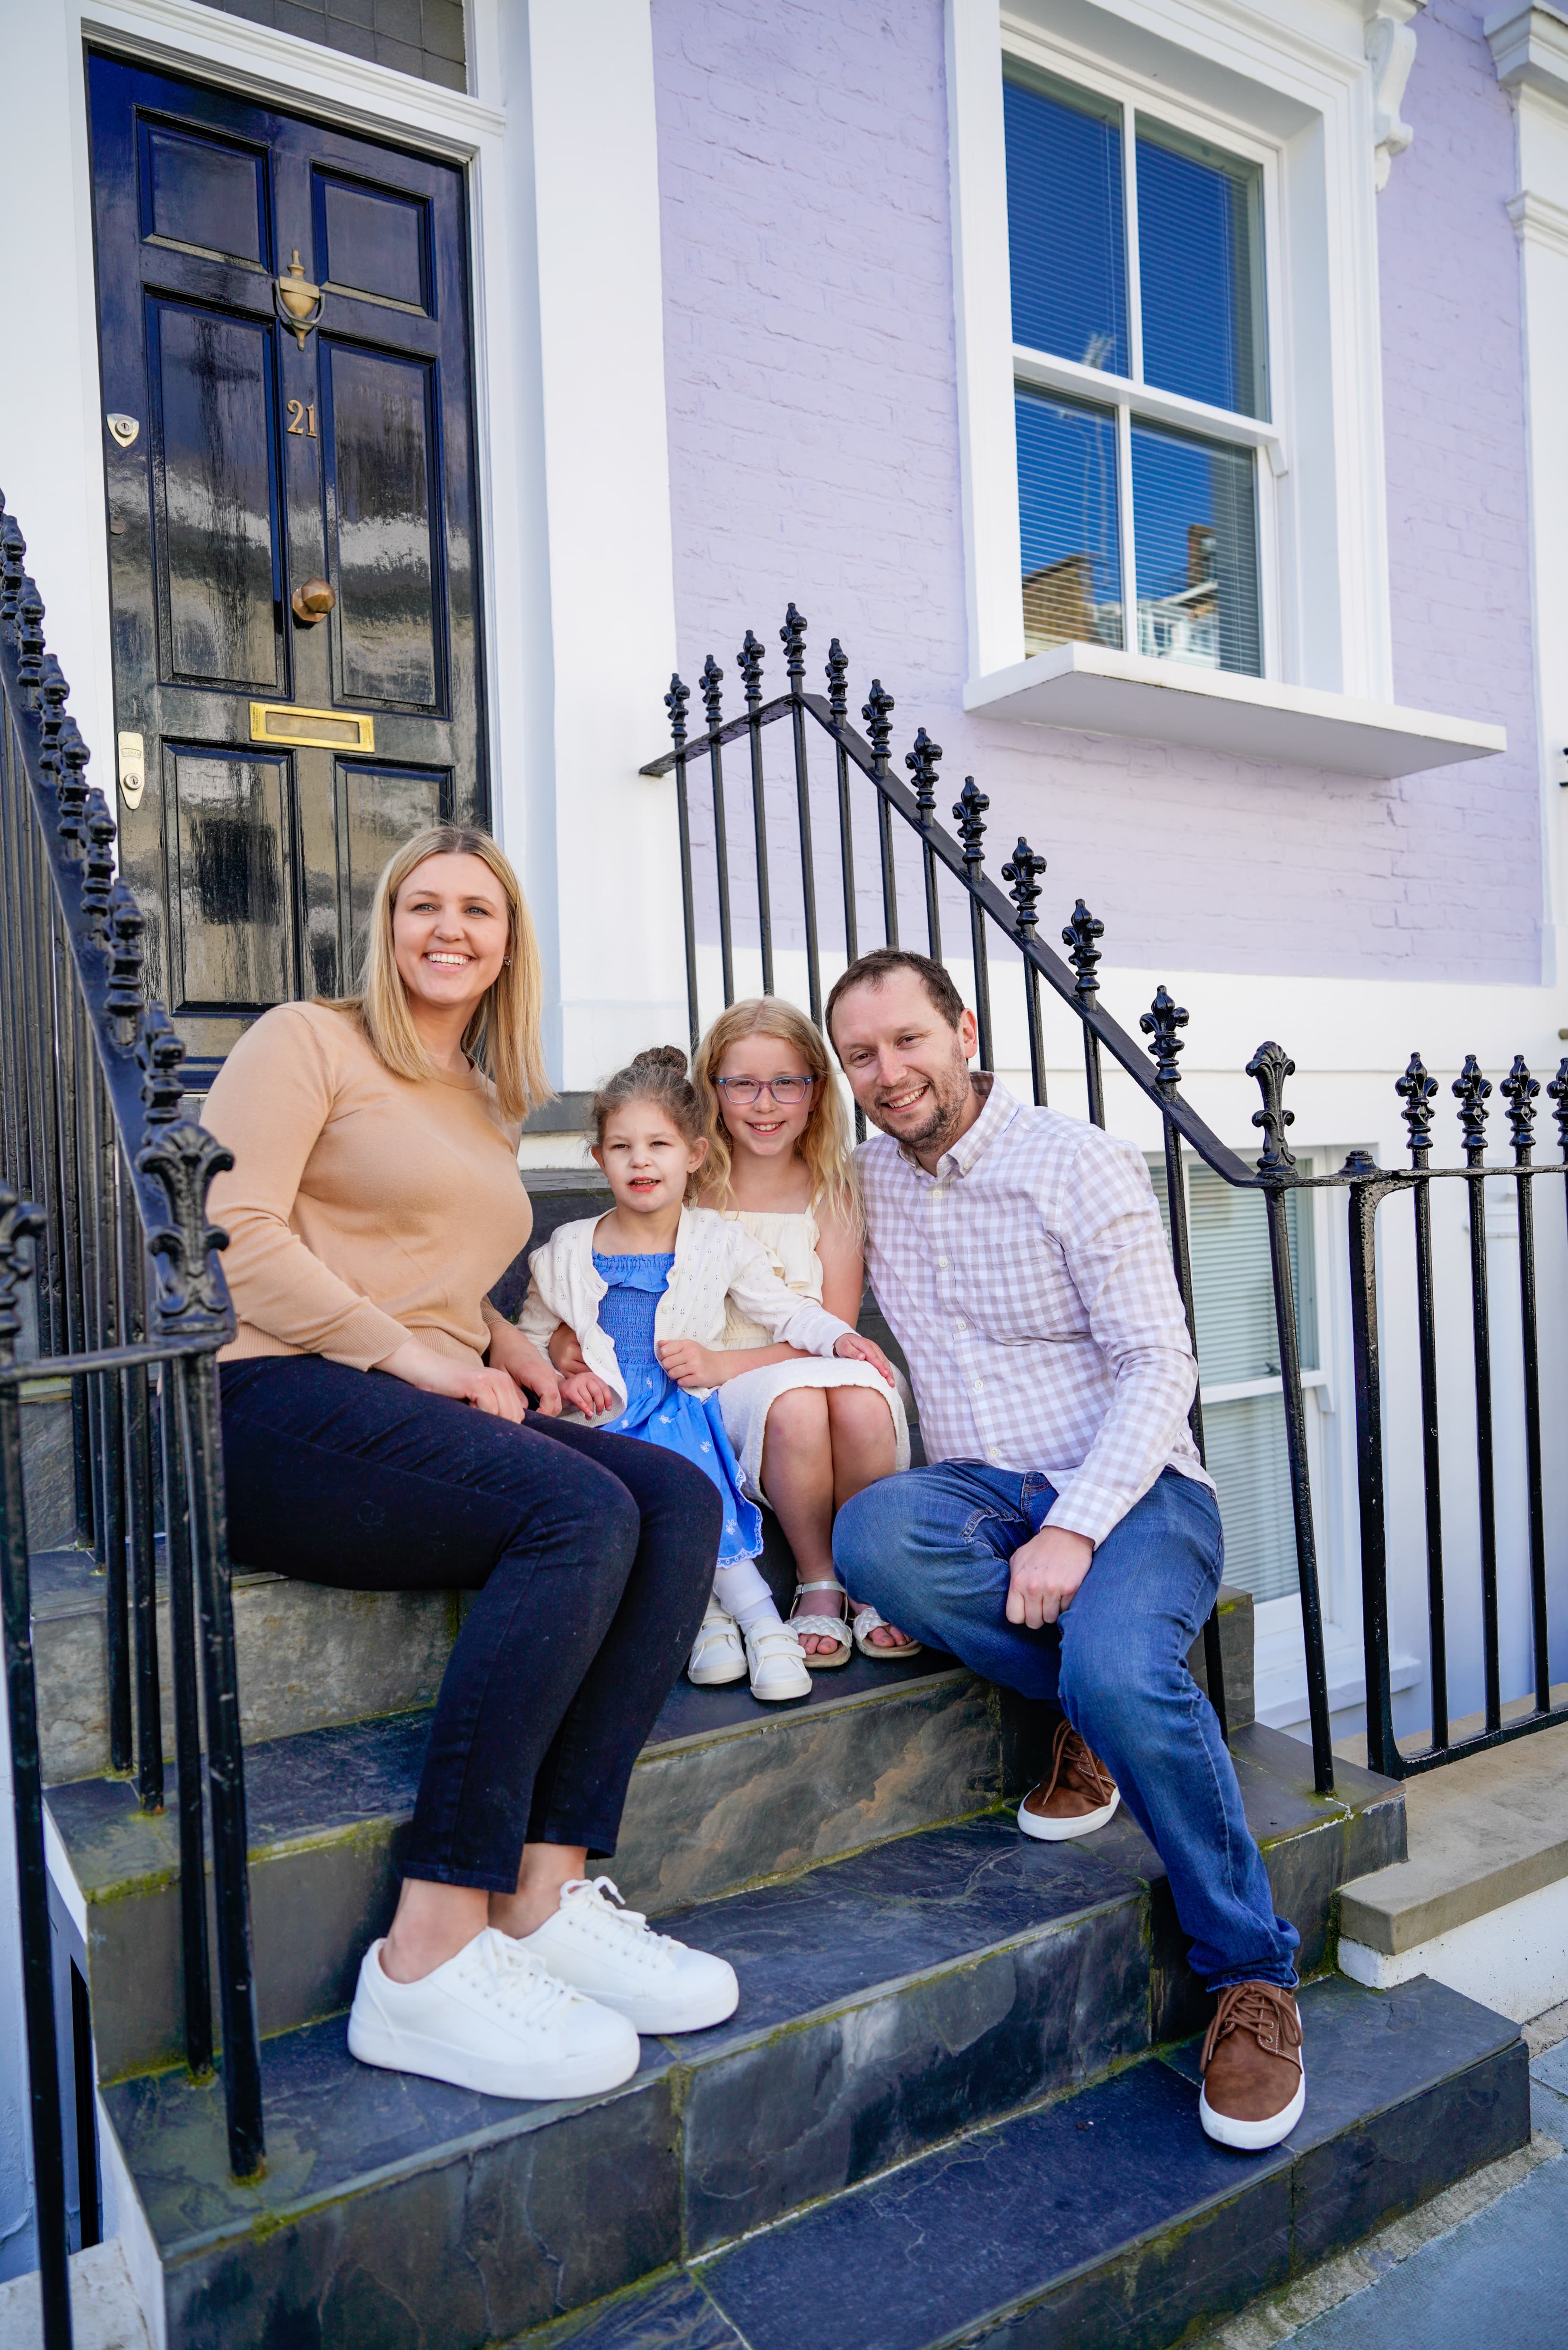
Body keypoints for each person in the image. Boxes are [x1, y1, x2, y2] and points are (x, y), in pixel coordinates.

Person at [204, 825, 738, 2107]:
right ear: (388, 925)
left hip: (412, 1388)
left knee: (672, 1498)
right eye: (424, 905)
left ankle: (543, 1896)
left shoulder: (479, 1093)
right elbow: (228, 1234)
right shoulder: (306, 1038)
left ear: (509, 949)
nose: (451, 928)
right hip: (274, 1397)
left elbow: (438, 1267)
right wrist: (413, 1356)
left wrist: (515, 1347)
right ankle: (430, 1942)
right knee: (575, 1512)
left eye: (480, 913)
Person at [826, 948, 1306, 2153]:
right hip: (986, 1496)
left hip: (1136, 1488)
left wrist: (1075, 1524)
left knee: (1119, 1668)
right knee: (873, 1530)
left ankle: (1251, 1976)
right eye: (860, 1056)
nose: (888, 1073)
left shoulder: (1073, 1159)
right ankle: (1091, 1701)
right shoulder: (866, 1180)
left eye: (907, 1041)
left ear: (962, 1031)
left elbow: (1161, 1363)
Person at [519, 1044, 897, 1702]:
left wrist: (840, 1337)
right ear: (598, 1158)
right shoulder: (565, 1251)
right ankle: (734, 1618)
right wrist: (559, 1363)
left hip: (683, 1407)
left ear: (694, 1155)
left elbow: (784, 1310)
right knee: (641, 1460)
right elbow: (529, 1332)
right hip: (602, 1413)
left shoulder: (716, 1241)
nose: (641, 1160)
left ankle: (741, 1618)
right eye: (622, 1147)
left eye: (659, 1144)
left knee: (682, 1452)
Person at [694, 997, 915, 1664]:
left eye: (787, 1082)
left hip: (810, 1351)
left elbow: (837, 1329)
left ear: (816, 1092)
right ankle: (819, 1577)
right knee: (794, 1403)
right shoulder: (690, 1185)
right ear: (714, 1090)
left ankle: (870, 1575)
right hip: (719, 1379)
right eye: (743, 1084)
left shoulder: (832, 1189)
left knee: (863, 1392)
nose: (766, 1104)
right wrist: (723, 1367)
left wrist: (732, 1364)